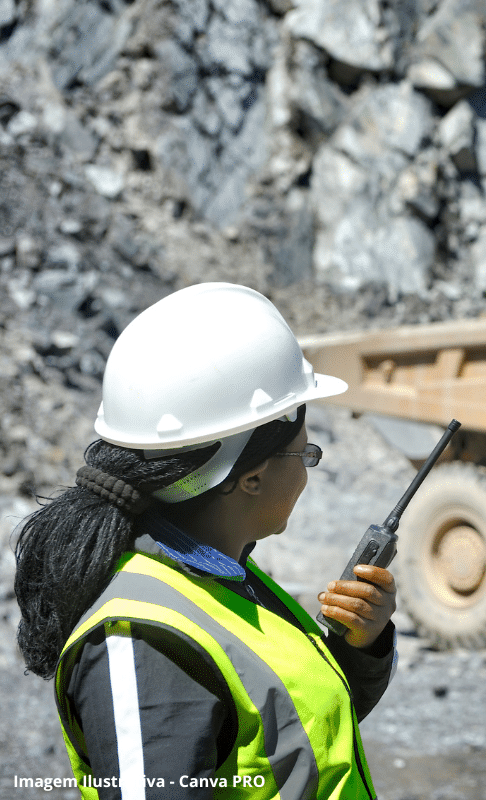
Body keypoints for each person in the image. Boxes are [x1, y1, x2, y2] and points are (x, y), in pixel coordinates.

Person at [13, 283, 397, 799]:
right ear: (251, 476)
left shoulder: (224, 580)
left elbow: (300, 738)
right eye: (306, 455)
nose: (308, 471)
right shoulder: (146, 642)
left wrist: (362, 644)